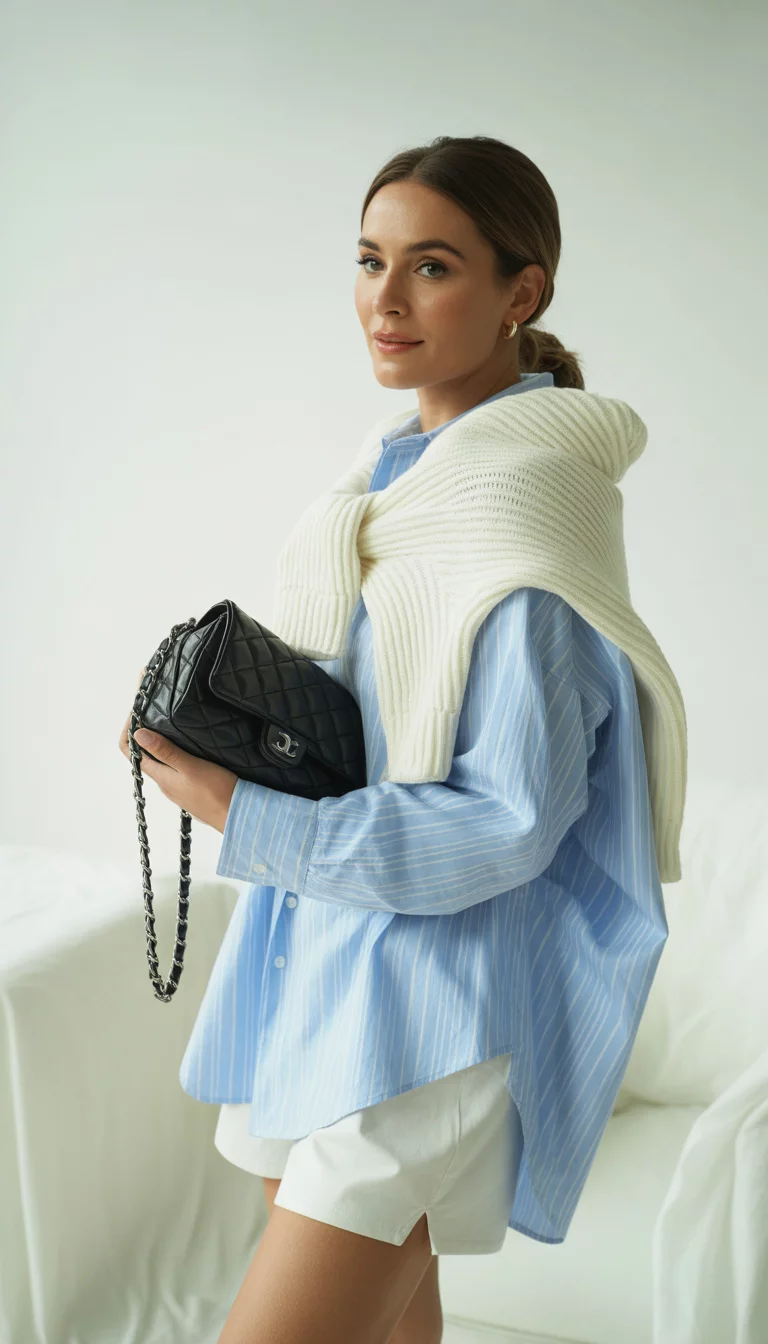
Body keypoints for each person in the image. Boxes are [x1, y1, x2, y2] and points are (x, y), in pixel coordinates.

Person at [175, 135, 683, 1344]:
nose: (385, 301)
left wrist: (239, 813)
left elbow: (506, 820)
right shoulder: (385, 481)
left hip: (429, 1010)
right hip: (319, 969)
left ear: (523, 291)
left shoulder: (523, 516)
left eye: (433, 266)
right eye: (369, 260)